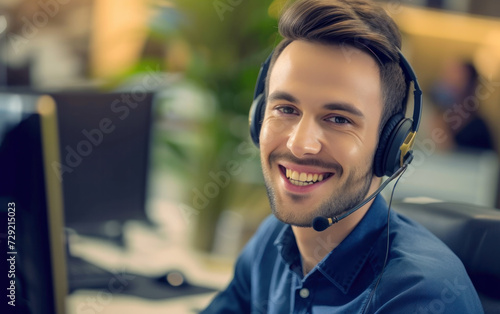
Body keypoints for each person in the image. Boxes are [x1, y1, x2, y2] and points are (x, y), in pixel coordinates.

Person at [202, 0, 483, 313]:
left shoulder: (420, 296)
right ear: (258, 120)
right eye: (285, 109)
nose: (299, 145)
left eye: (338, 119)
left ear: (390, 146)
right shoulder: (273, 241)